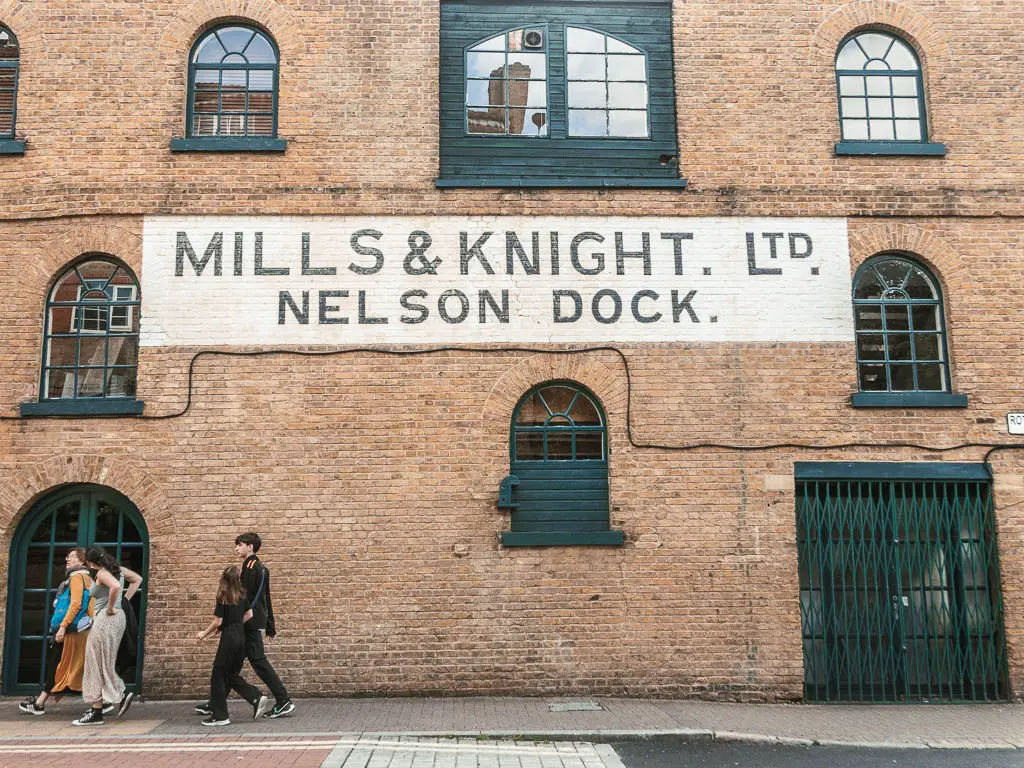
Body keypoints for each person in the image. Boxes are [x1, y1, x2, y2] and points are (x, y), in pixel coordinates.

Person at [195, 532, 294, 719]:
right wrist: (270, 624)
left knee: (254, 662)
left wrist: (229, 623)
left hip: (245, 623)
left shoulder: (249, 567)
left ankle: (283, 699)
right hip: (253, 621)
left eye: (239, 544)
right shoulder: (262, 567)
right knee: (234, 666)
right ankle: (216, 703)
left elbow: (243, 600)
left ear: (250, 547)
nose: (236, 548)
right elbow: (266, 599)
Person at [19, 548, 97, 715]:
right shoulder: (86, 578)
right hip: (80, 629)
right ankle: (101, 702)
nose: (68, 559)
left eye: (73, 557)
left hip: (71, 630)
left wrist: (63, 626)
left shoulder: (77, 578)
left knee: (60, 664)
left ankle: (102, 702)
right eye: (67, 557)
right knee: (70, 665)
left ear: (82, 561)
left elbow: (75, 604)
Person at [71, 546, 143, 726]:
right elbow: (137, 580)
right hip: (117, 619)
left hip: (106, 618)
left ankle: (117, 695)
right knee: (103, 661)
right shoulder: (118, 570)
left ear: (89, 561)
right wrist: (124, 600)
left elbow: (116, 586)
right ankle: (98, 708)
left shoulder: (103, 573)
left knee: (95, 662)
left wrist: (111, 607)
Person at [195, 566, 272, 726]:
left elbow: (218, 621)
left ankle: (220, 716)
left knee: (218, 674)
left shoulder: (223, 595)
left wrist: (204, 633)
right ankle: (255, 697)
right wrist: (236, 624)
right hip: (241, 636)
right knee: (230, 675)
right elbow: (249, 615)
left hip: (229, 638)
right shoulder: (242, 595)